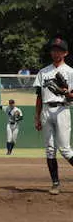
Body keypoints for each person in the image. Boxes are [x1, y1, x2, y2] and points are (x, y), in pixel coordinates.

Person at [33, 37, 73, 195]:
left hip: (62, 110)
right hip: (46, 111)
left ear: (65, 53)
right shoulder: (43, 72)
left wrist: (66, 93)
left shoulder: (70, 72)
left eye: (59, 50)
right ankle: (55, 183)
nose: (55, 52)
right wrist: (37, 116)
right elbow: (39, 96)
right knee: (50, 150)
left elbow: (71, 96)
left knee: (65, 150)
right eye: (53, 49)